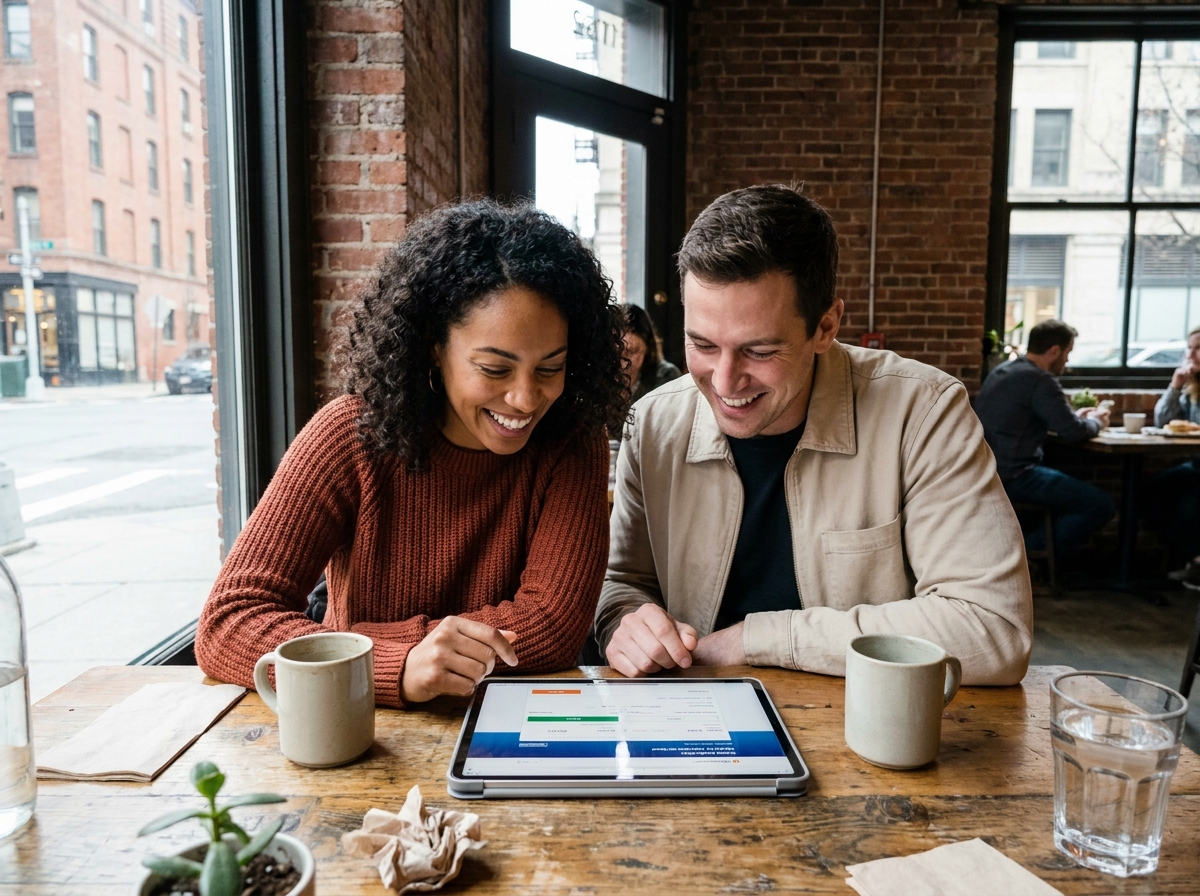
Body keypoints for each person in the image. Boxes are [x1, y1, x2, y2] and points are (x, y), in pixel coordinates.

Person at [196, 200, 628, 707]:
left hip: (515, 723)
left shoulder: (572, 440)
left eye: (550, 367)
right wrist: (396, 664)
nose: (525, 398)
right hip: (356, 724)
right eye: (494, 369)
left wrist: (364, 644)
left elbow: (551, 626)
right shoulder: (348, 436)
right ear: (432, 347)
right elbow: (230, 621)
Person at [597, 184, 1033, 686]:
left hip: (868, 730)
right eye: (702, 344)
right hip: (693, 722)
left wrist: (752, 641)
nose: (723, 381)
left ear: (826, 326)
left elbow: (994, 629)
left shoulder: (923, 412)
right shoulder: (650, 424)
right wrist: (626, 625)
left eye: (759, 351)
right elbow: (625, 584)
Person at [974, 319, 1115, 555]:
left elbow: (1049, 418)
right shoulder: (1040, 379)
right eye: (1068, 353)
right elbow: (1074, 432)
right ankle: (1026, 556)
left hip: (987, 470)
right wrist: (1097, 422)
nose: (1067, 360)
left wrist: (1075, 417)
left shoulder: (1003, 370)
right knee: (1100, 505)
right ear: (1054, 351)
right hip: (1016, 475)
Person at [1145, 326, 1200, 569]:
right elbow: (1164, 422)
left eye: (1199, 349)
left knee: (1189, 506)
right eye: (1190, 348)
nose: (1191, 355)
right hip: (1196, 466)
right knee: (1152, 492)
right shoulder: (1193, 387)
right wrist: (1175, 386)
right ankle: (1191, 559)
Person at [622, 304, 682, 402]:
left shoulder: (666, 376)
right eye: (617, 351)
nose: (624, 361)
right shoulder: (600, 379)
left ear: (648, 349)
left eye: (632, 352)